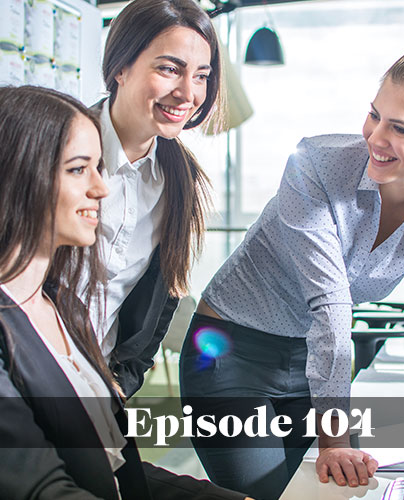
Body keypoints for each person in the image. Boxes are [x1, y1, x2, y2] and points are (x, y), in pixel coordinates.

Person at [179, 39, 404, 500]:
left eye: (401, 129)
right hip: (231, 351)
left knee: (309, 492)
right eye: (375, 115)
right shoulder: (317, 166)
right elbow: (331, 309)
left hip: (312, 366)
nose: (375, 137)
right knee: (268, 493)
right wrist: (335, 439)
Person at [0, 85, 250, 500]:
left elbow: (112, 467)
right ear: (19, 175)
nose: (101, 189)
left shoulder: (65, 308)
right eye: (79, 169)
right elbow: (43, 488)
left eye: (99, 168)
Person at [87, 0, 222, 397]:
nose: (188, 93)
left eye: (202, 76)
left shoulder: (180, 179)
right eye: (169, 69)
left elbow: (155, 308)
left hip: (97, 392)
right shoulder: (53, 151)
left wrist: (120, 386)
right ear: (121, 67)